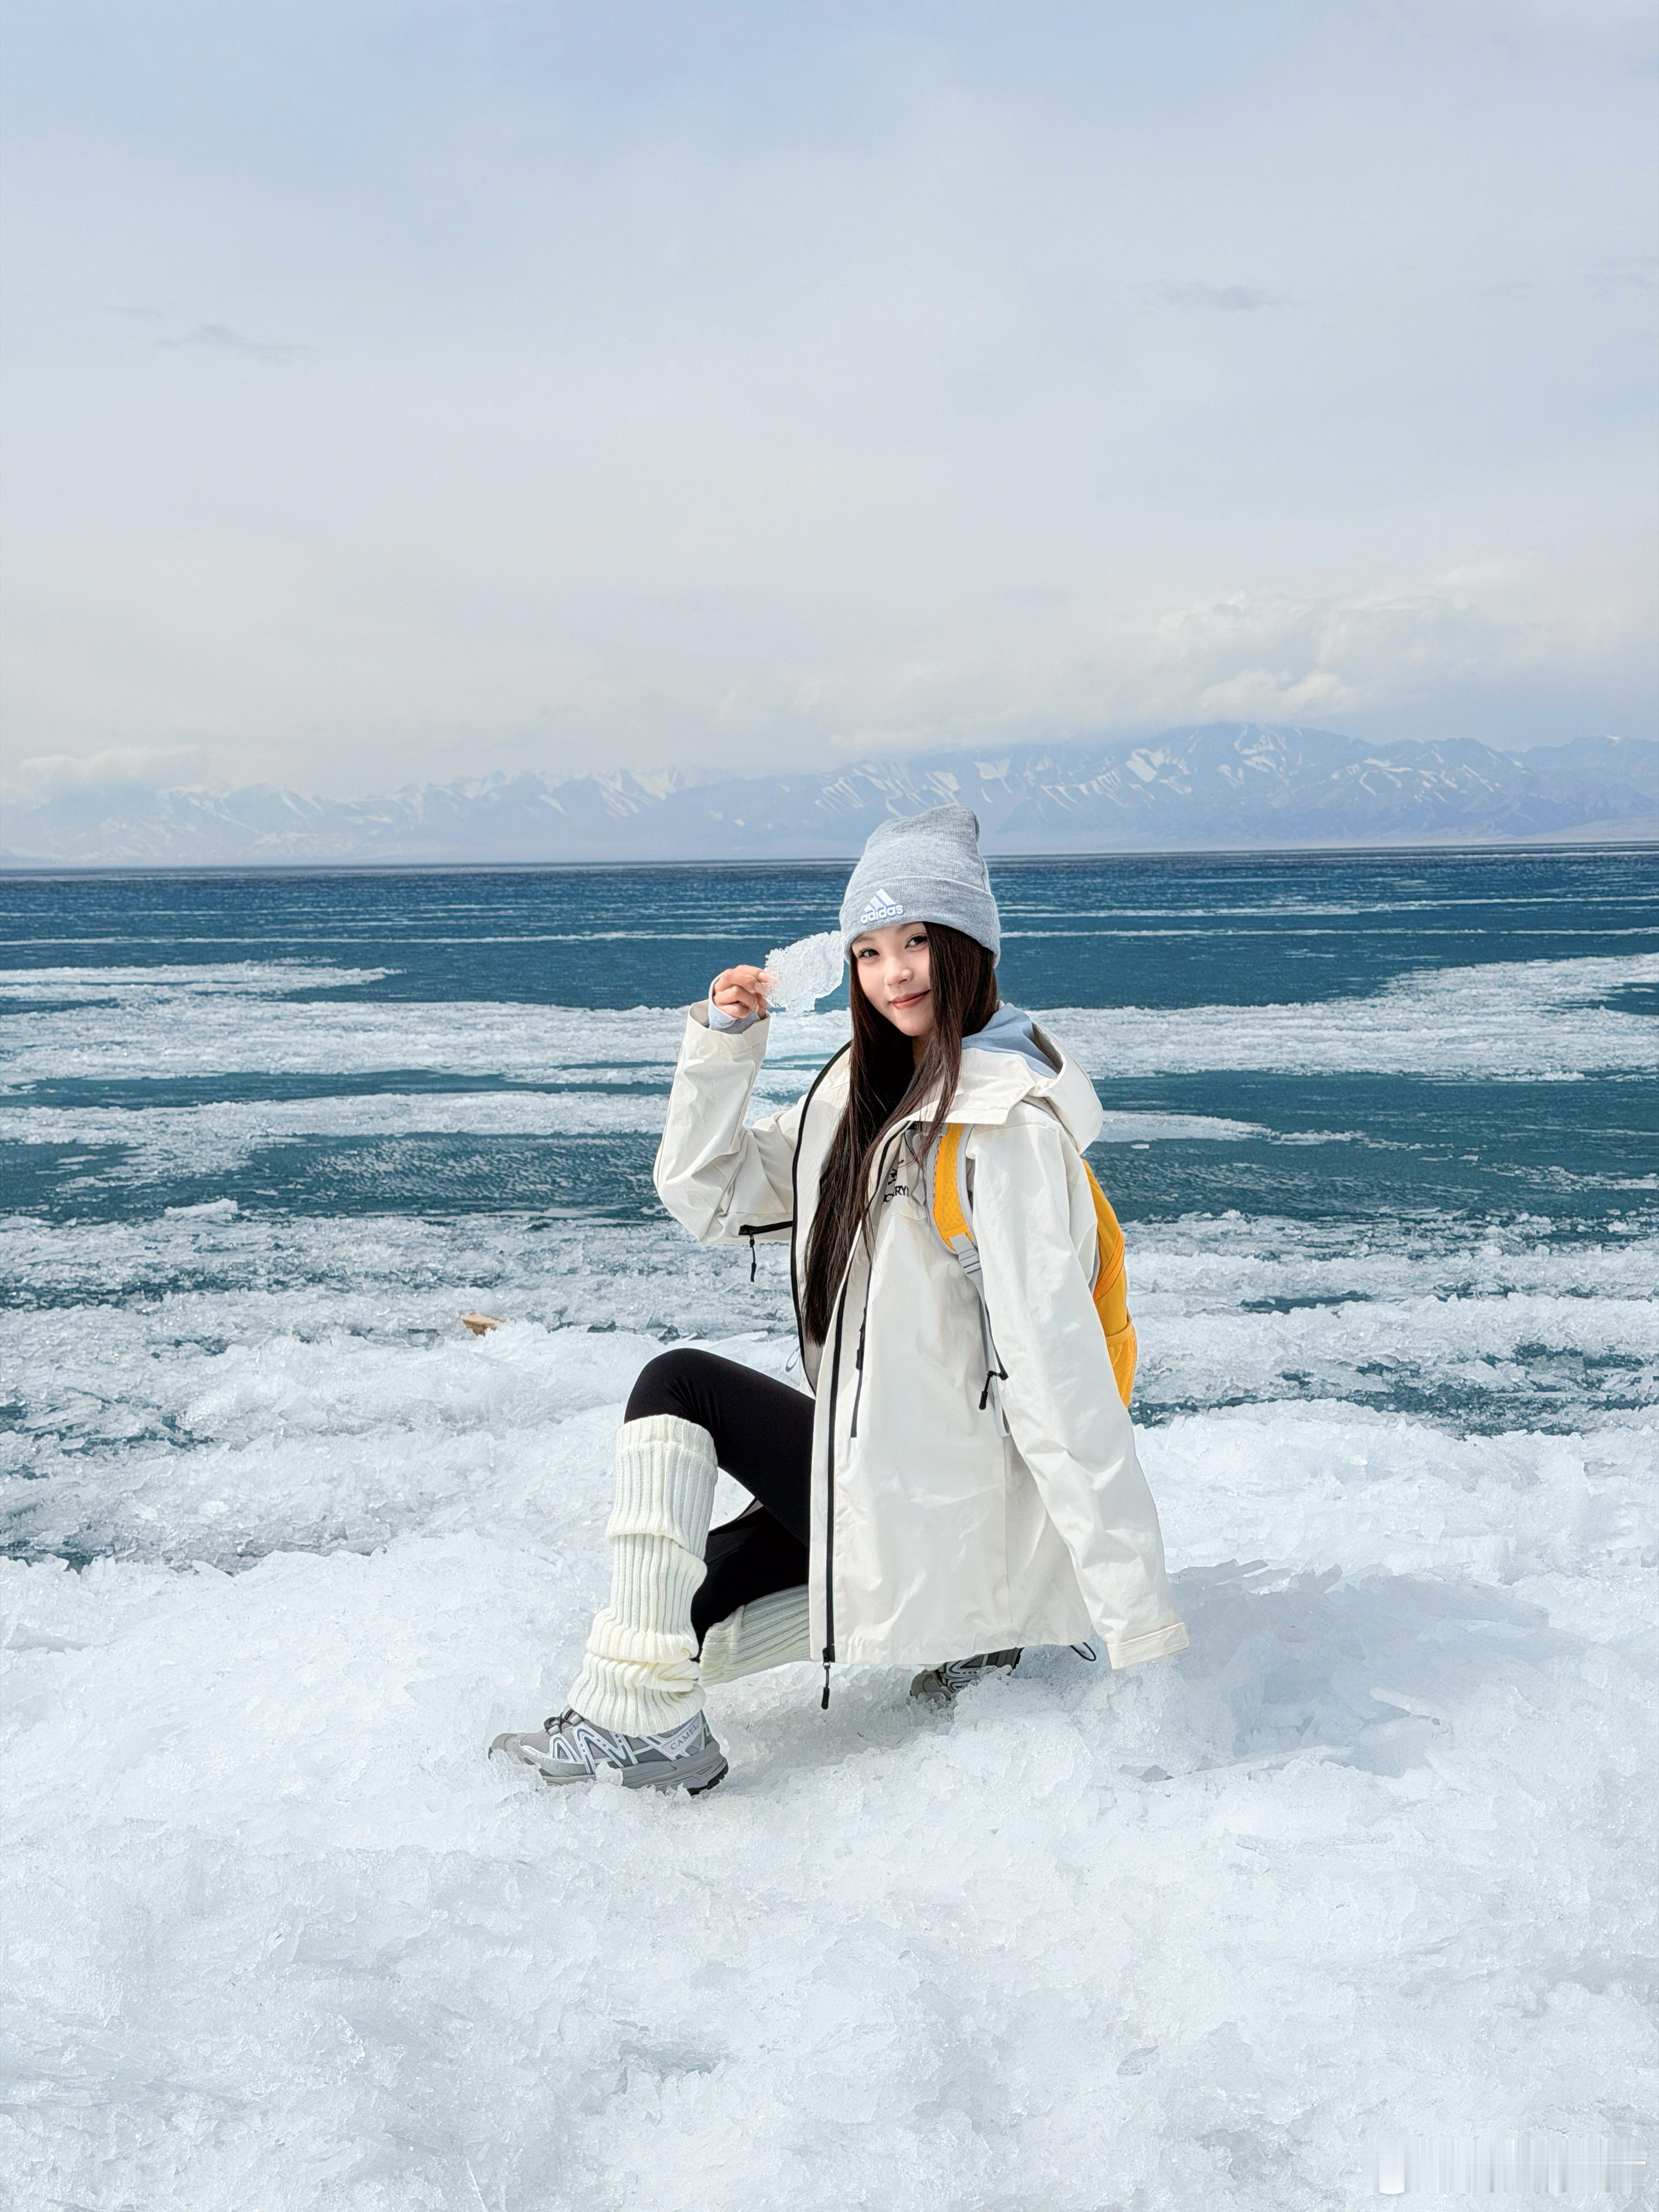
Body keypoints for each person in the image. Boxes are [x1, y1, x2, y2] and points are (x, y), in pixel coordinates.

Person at [492, 805, 1188, 1792]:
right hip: (886, 1472)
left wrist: (1139, 1629)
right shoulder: (859, 1097)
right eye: (869, 951)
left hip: (945, 1495)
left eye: (917, 943)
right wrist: (727, 1049)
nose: (895, 972)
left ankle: (652, 1730)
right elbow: (709, 1193)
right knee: (686, 1622)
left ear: (970, 948)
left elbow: (1061, 1385)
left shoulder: (1005, 1133)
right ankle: (983, 1627)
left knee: (679, 1385)